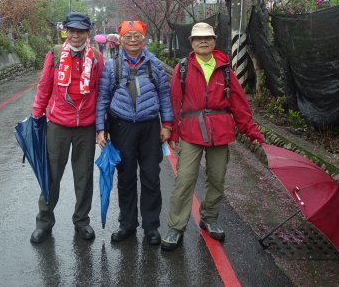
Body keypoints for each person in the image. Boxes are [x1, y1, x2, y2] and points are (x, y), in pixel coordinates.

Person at [160, 22, 264, 251]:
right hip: (190, 130)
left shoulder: (225, 68)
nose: (203, 41)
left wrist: (251, 130)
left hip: (220, 130)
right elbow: (174, 100)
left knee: (217, 178)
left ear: (214, 41)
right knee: (185, 179)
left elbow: (239, 103)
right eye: (198, 38)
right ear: (191, 42)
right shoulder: (183, 68)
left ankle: (209, 217)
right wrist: (172, 130)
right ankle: (176, 226)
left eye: (207, 37)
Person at [95, 20, 173, 246]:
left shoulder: (155, 65)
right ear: (120, 40)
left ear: (144, 38)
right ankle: (127, 224)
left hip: (149, 127)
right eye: (127, 36)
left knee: (151, 177)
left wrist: (167, 125)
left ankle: (151, 226)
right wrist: (101, 128)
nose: (132, 40)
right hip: (122, 127)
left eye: (136, 35)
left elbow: (164, 96)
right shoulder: (112, 66)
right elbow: (103, 98)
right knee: (126, 178)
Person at [30, 12, 104, 244]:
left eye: (80, 31)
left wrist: (102, 126)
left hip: (86, 126)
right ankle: (44, 222)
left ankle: (82, 221)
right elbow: (44, 86)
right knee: (51, 176)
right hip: (58, 125)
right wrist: (36, 116)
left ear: (87, 33)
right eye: (71, 30)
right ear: (66, 32)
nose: (75, 35)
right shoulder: (54, 54)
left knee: (84, 177)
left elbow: (100, 93)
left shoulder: (97, 58)